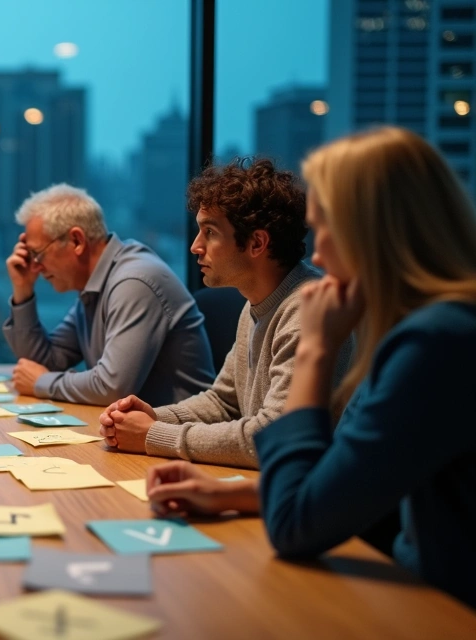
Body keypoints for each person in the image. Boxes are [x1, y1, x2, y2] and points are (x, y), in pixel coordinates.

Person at [145, 127, 476, 609]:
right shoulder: (430, 331)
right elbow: (345, 479)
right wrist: (224, 496)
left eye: (328, 232)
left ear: (374, 235)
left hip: (437, 609)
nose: (317, 256)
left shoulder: (435, 345)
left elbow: (296, 525)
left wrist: (318, 350)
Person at [98, 159, 352, 468]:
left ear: (257, 243)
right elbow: (224, 401)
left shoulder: (306, 312)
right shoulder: (255, 302)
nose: (195, 246)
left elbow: (273, 438)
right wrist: (153, 417)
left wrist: (153, 435)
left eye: (210, 232)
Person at [2, 183, 215, 406]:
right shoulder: (96, 284)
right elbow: (43, 363)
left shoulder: (134, 281)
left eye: (38, 254)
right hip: (133, 432)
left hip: (175, 435)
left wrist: (43, 382)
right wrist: (23, 291)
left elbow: (111, 388)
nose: (35, 266)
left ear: (77, 241)